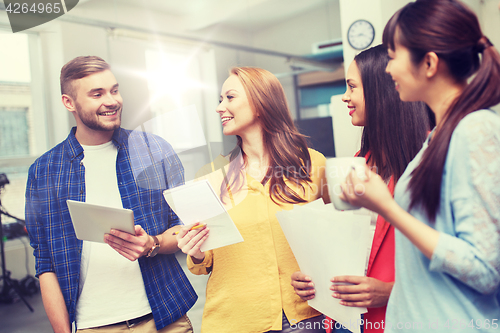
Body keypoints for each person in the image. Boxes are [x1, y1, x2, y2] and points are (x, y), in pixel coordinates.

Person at [341, 1, 500, 332]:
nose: (388, 69)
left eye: (394, 55)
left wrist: (386, 206)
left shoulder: (475, 130)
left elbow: (485, 268)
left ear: (429, 63)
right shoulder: (436, 139)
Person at [25, 56, 197, 333]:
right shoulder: (44, 171)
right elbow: (45, 260)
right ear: (69, 102)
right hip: (93, 325)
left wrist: (153, 244)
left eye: (114, 90)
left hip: (164, 317)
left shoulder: (154, 150)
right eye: (97, 94)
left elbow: (185, 226)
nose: (112, 100)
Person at [176, 67, 330, 333]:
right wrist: (196, 250)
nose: (219, 107)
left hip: (306, 319)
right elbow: (204, 262)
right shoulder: (214, 179)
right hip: (235, 321)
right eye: (220, 99)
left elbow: (334, 240)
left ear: (260, 103)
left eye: (230, 97)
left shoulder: (313, 164)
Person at [291, 45, 430, 333]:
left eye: (352, 87)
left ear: (381, 93)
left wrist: (390, 290)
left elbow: (460, 258)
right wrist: (315, 275)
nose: (345, 97)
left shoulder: (431, 159)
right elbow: (348, 244)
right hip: (350, 319)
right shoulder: (358, 162)